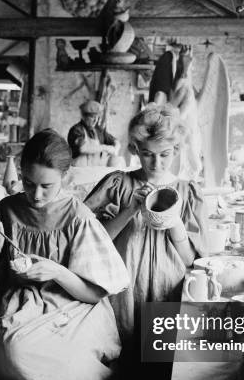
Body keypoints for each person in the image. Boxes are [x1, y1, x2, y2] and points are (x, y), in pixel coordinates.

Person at [0, 129, 129, 380]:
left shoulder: (77, 216)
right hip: (17, 301)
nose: (36, 194)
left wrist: (57, 271)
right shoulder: (7, 210)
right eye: (29, 183)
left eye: (47, 185)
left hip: (74, 305)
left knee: (70, 361)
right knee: (15, 350)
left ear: (65, 178)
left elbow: (94, 294)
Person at [84, 103, 208, 343]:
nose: (156, 163)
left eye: (165, 155)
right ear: (135, 149)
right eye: (147, 154)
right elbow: (92, 242)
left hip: (169, 288)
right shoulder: (117, 184)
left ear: (177, 149)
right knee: (123, 352)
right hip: (123, 291)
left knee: (163, 358)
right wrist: (130, 209)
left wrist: (173, 221)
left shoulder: (188, 191)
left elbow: (191, 260)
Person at [67, 100, 118, 167]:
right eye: (92, 117)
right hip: (78, 171)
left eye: (97, 117)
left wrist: (115, 150)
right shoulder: (76, 130)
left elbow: (115, 141)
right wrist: (105, 147)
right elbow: (83, 148)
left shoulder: (98, 130)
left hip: (93, 171)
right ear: (83, 116)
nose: (95, 120)